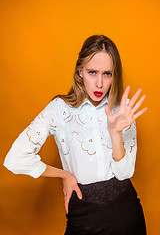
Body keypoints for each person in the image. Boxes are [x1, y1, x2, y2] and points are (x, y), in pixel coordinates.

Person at [3, 35, 147, 234]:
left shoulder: (122, 111)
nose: (99, 83)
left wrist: (115, 132)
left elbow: (124, 173)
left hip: (126, 215)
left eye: (107, 74)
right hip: (83, 217)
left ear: (115, 75)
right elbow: (15, 160)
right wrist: (64, 175)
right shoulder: (59, 110)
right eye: (92, 72)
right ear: (80, 72)